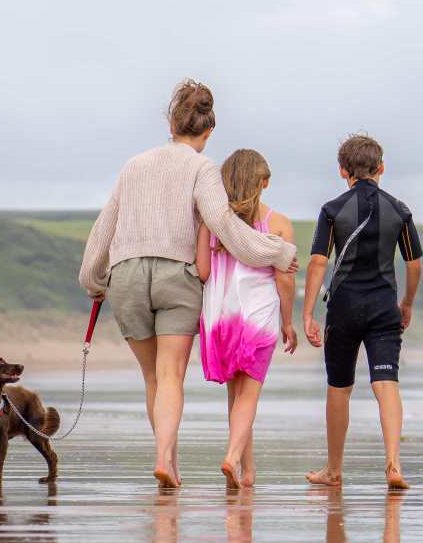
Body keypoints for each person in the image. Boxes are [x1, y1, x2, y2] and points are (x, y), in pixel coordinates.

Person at [80, 80, 299, 489]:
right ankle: (166, 458)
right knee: (170, 376)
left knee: (153, 378)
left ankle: (168, 461)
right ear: (208, 131)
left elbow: (103, 229)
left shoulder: (133, 165)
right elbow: (225, 226)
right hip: (174, 277)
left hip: (126, 275)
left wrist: (92, 278)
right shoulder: (203, 169)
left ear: (170, 122)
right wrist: (277, 253)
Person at [302, 133, 423, 491]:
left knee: (339, 387)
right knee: (387, 384)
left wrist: (307, 313)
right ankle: (393, 464)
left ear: (342, 171)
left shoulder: (332, 210)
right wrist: (408, 304)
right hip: (384, 305)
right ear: (381, 168)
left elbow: (318, 262)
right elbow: (414, 264)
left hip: (344, 307)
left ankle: (334, 470)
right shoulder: (400, 210)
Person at [195, 149, 299, 490]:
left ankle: (246, 471)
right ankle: (231, 458)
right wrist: (288, 322)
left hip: (221, 317)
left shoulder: (212, 223)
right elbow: (285, 279)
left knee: (235, 397)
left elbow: (203, 270)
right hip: (258, 316)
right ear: (264, 183)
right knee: (249, 397)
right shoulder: (278, 223)